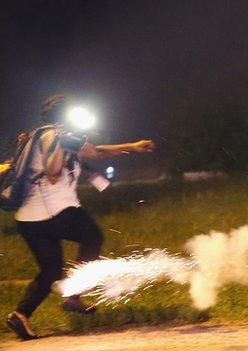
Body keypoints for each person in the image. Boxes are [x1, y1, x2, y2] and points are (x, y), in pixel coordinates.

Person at [6, 95, 155, 340]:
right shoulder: (51, 135)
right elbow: (53, 173)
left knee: (51, 271)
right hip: (54, 213)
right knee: (92, 236)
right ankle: (73, 295)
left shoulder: (54, 136)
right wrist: (60, 145)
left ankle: (20, 316)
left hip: (29, 221)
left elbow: (94, 151)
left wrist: (133, 145)